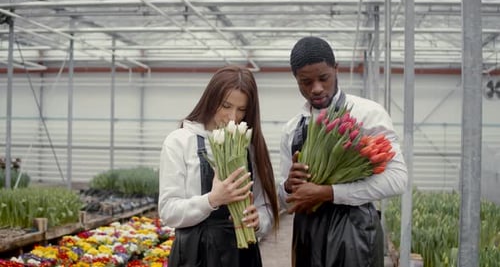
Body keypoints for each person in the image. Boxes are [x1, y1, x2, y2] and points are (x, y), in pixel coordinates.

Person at [278, 36, 408, 267]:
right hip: (306, 235)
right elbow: (285, 199)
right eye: (306, 82)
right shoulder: (292, 129)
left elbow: (397, 180)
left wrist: (328, 193)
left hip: (354, 233)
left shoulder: (367, 113)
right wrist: (288, 185)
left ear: (336, 69)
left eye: (324, 78)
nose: (316, 89)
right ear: (296, 80)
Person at [158, 65, 280, 267]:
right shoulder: (180, 141)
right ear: (211, 99)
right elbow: (169, 211)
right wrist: (213, 200)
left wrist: (259, 221)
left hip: (242, 256)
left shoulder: (248, 145)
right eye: (226, 106)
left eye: (241, 110)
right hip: (194, 255)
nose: (233, 117)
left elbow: (264, 205)